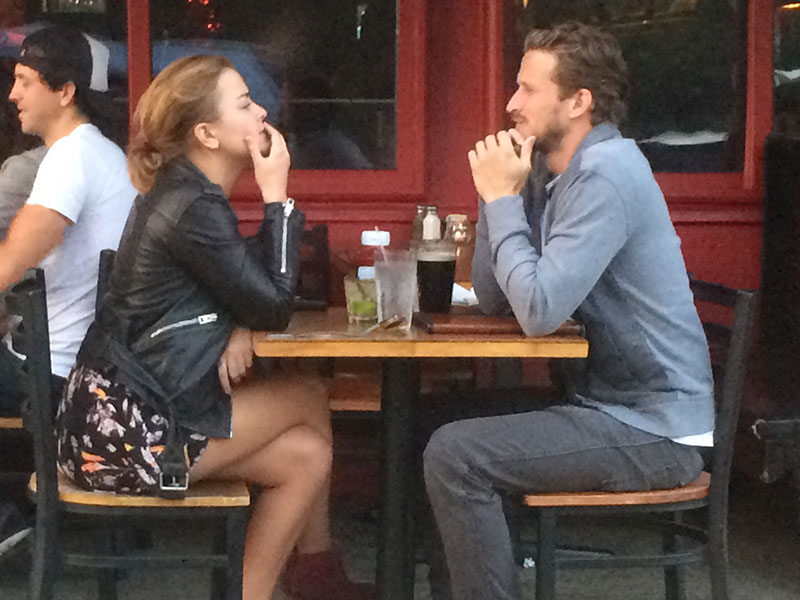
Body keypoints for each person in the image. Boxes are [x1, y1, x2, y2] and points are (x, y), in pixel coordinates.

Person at [55, 55, 373, 600]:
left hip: (116, 419)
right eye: (246, 104)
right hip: (126, 433)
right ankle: (318, 573)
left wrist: (237, 325)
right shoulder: (190, 205)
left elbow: (235, 286)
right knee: (309, 395)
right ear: (206, 132)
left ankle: (287, 581)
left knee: (307, 455)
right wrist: (278, 196)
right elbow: (272, 302)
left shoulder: (189, 195)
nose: (263, 112)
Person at [423, 22, 713, 600]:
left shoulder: (607, 175)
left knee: (457, 455)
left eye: (529, 89)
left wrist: (503, 201)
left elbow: (537, 312)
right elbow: (495, 295)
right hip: (606, 405)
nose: (510, 103)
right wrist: (497, 195)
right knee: (431, 421)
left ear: (579, 101)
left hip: (656, 430)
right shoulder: (555, 175)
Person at [0, 25, 135, 407]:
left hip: (47, 372)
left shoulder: (71, 158)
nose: (13, 94)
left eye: (26, 82)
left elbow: (7, 266)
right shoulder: (101, 152)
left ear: (65, 92)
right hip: (77, 363)